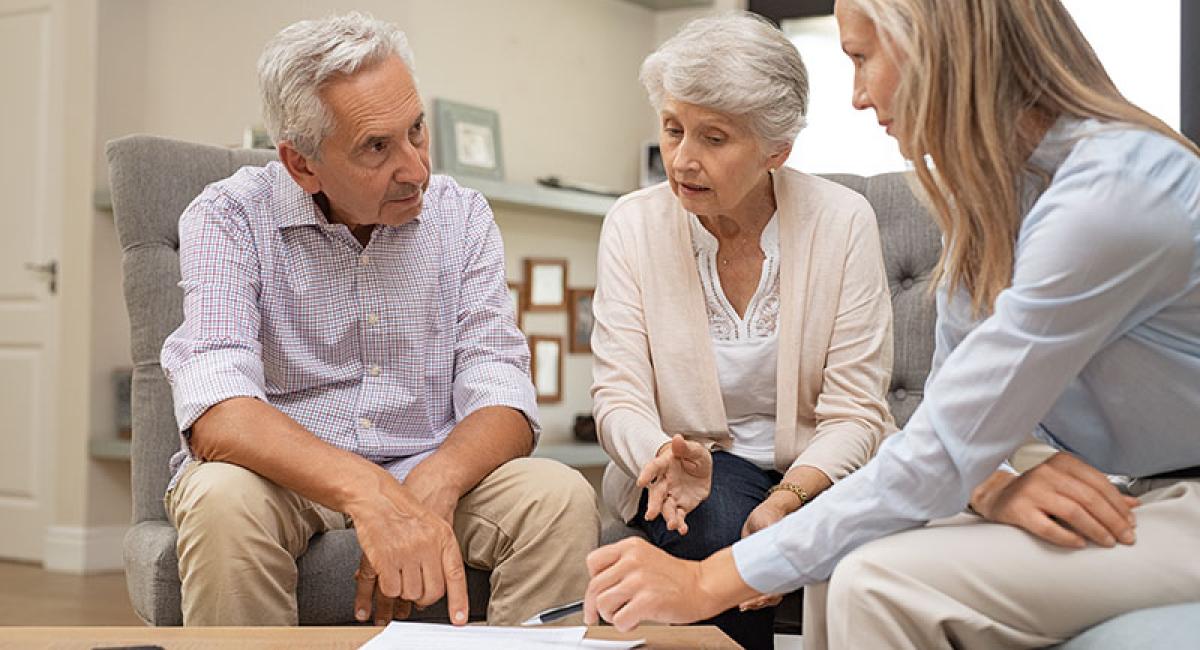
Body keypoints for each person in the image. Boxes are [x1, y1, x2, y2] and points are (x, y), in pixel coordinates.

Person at [583, 1, 1200, 647]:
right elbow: (953, 409)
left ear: (938, 50)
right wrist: (991, 483)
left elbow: (936, 444)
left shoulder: (1114, 194)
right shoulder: (989, 200)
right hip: (1122, 490)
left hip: (1178, 498)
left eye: (861, 57)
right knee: (842, 561)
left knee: (874, 580)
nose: (854, 96)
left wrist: (707, 582)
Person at [161, 12, 599, 627]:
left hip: (427, 463)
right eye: (376, 147)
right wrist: (370, 496)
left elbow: (504, 393)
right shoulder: (228, 217)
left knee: (559, 498)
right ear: (302, 164)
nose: (417, 168)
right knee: (221, 499)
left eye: (416, 129)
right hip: (279, 481)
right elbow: (218, 410)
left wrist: (435, 483)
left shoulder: (462, 217)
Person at [590, 12, 894, 648]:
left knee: (758, 520)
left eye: (715, 138)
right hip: (691, 474)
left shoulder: (843, 223)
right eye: (673, 130)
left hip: (817, 470)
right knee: (719, 511)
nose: (683, 160)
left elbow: (855, 414)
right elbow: (618, 395)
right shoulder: (632, 224)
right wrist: (663, 458)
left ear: (776, 150)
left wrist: (788, 499)